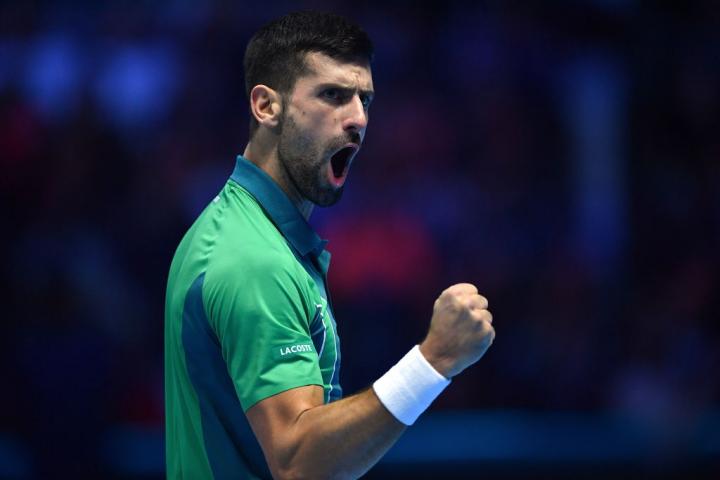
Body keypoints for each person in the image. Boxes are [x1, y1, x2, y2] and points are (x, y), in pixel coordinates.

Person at [164, 11, 495, 479]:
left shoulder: (245, 230)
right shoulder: (253, 261)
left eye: (365, 99)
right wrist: (433, 360)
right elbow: (298, 462)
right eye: (333, 95)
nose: (358, 118)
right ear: (266, 106)